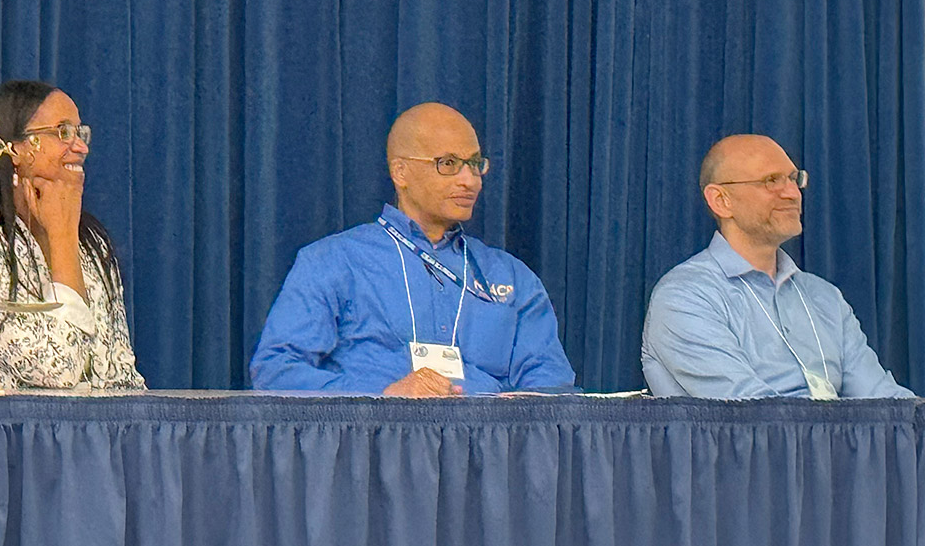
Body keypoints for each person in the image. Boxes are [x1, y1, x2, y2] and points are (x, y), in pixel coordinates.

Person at [250, 103, 576, 395]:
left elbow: (551, 385)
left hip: (485, 452)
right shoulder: (332, 263)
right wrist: (382, 394)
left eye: (475, 163)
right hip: (371, 448)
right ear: (400, 171)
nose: (471, 180)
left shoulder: (511, 277)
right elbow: (276, 371)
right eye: (448, 163)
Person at [0, 80, 145, 391]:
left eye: (80, 132)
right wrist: (61, 242)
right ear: (14, 148)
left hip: (85, 435)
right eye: (63, 132)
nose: (81, 147)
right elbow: (57, 370)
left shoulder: (92, 243)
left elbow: (118, 370)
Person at [642, 133, 914, 398]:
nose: (793, 193)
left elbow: (883, 402)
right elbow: (751, 419)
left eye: (794, 179)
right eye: (771, 180)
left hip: (840, 441)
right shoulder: (685, 296)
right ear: (721, 201)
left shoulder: (824, 297)